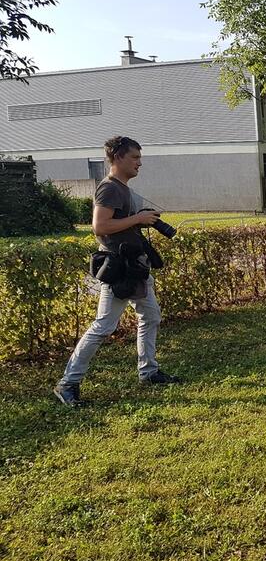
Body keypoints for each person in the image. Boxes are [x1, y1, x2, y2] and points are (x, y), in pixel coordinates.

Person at [53, 136, 180, 406]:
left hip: (136, 266)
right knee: (104, 325)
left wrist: (142, 219)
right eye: (134, 157)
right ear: (118, 157)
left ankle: (149, 371)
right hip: (119, 270)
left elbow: (121, 222)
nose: (139, 163)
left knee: (150, 315)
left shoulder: (123, 189)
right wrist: (139, 218)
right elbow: (100, 227)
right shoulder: (109, 188)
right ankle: (68, 383)